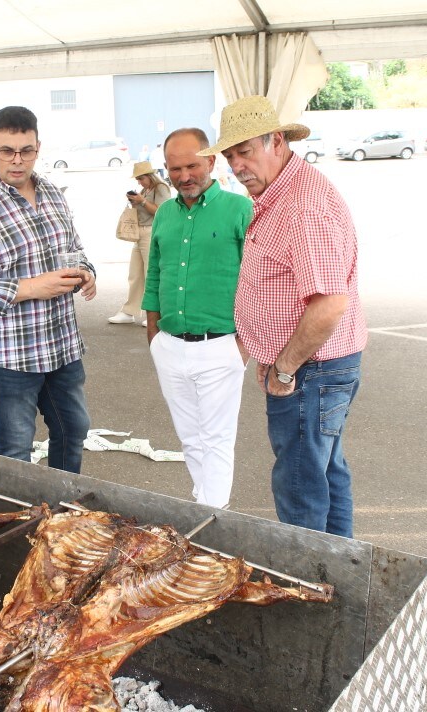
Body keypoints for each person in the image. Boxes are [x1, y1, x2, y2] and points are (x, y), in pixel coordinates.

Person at [202, 95, 367, 537]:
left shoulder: (301, 206)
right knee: (324, 472)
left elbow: (329, 304)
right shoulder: (281, 191)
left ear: (276, 141)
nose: (237, 166)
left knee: (301, 486)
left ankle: (309, 587)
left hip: (312, 371)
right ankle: (339, 569)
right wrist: (268, 354)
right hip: (313, 368)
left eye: (246, 152)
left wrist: (286, 368)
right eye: (230, 156)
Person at [0, 106, 96, 474]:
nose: (17, 161)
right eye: (7, 151)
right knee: (15, 447)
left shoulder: (52, 194)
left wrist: (85, 271)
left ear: (38, 147)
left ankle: (62, 509)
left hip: (61, 344)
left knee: (73, 428)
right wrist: (29, 287)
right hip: (11, 354)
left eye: (26, 150)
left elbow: (74, 248)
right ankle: (21, 525)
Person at [142, 128, 253, 508]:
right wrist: (153, 331)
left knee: (217, 438)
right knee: (190, 438)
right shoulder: (165, 215)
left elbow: (258, 278)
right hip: (169, 345)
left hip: (221, 344)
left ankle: (212, 520)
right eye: (174, 169)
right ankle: (204, 506)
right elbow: (154, 271)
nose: (184, 176)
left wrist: (244, 342)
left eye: (192, 165)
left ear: (211, 161)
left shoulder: (241, 209)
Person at [108, 161, 171, 326]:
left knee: (150, 273)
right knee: (135, 274)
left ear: (149, 176)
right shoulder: (146, 189)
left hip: (152, 231)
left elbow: (162, 212)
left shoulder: (161, 187)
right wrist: (135, 201)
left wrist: (142, 201)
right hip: (140, 232)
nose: (139, 182)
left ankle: (157, 313)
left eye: (141, 178)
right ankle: (130, 311)